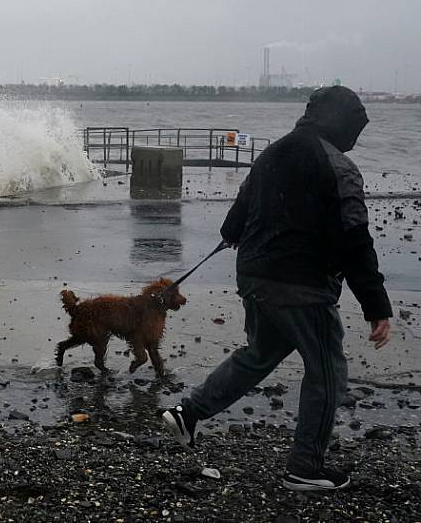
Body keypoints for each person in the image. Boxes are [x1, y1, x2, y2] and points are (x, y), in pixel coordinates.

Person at [161, 86, 392, 492]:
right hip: (301, 286)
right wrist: (376, 305)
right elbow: (355, 239)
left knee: (258, 354)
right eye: (356, 128)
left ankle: (188, 412)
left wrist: (238, 234)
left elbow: (236, 218)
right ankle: (305, 467)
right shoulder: (338, 166)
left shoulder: (272, 153)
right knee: (328, 372)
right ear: (344, 124)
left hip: (253, 275)